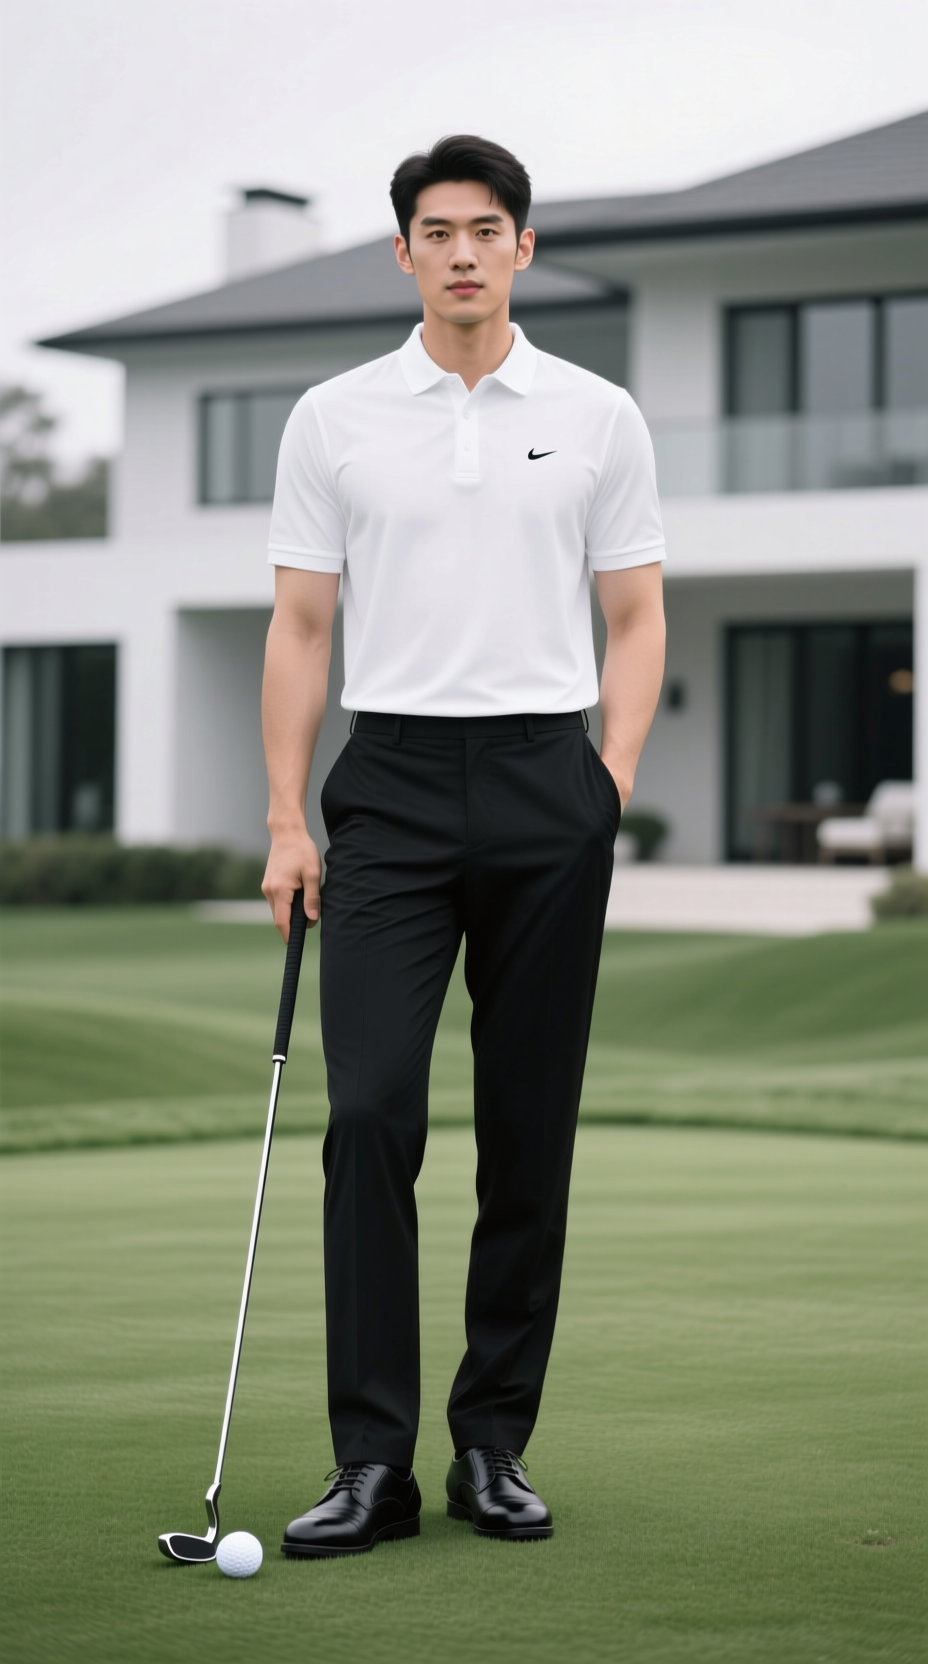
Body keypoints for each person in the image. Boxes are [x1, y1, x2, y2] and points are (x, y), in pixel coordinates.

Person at [261, 134, 666, 1556]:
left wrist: (605, 780)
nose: (462, 252)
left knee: (527, 1131)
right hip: (394, 787)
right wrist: (283, 817)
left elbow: (636, 617)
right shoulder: (336, 416)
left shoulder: (601, 414)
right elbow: (303, 625)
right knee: (369, 1109)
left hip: (549, 775)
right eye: (436, 231)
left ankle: (491, 1445)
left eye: (486, 229)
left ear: (524, 249)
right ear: (404, 253)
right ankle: (368, 1464)